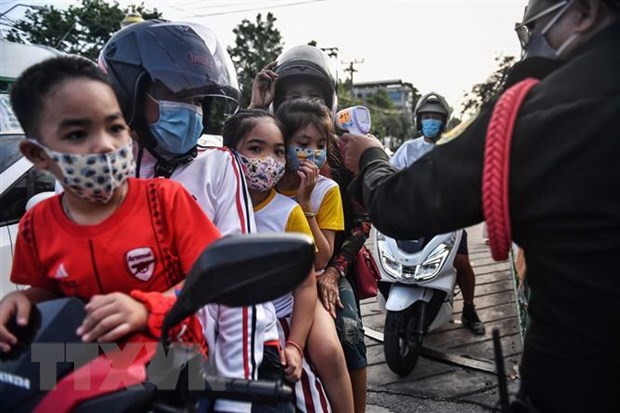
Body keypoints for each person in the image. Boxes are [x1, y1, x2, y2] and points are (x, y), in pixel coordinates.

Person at [341, 1, 620, 411]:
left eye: (538, 29)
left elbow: (400, 202)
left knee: (466, 266)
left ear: (586, 11)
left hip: (573, 380)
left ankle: (469, 306)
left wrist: (370, 158)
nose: (536, 43)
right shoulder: (414, 146)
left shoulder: (528, 111)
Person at [99, 20, 268, 413]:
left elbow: (237, 288)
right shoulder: (93, 173)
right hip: (106, 363)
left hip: (195, 363)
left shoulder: (217, 167)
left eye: (196, 99)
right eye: (173, 93)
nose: (189, 111)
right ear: (126, 95)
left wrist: (233, 399)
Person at [0, 56, 217, 354]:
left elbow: (209, 277)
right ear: (37, 155)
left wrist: (147, 309)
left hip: (174, 367)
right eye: (77, 134)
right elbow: (49, 292)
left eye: (114, 127)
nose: (104, 144)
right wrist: (23, 302)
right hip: (81, 369)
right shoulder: (35, 224)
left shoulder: (167, 200)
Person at [251, 45, 369, 413]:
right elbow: (237, 151)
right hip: (274, 272)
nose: (302, 101)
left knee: (347, 335)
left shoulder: (342, 154)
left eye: (313, 95)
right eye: (292, 95)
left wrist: (333, 272)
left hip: (329, 262)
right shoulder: (265, 163)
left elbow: (363, 223)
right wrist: (255, 104)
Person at [222, 109, 319, 413]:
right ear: (228, 154)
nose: (268, 160)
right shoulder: (211, 203)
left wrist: (295, 346)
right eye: (255, 149)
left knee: (327, 359)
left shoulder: (288, 213)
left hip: (279, 322)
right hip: (227, 329)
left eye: (278, 151)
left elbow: (306, 286)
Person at [275, 98, 354, 413]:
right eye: (303, 143)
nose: (312, 151)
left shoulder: (327, 190)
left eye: (320, 144)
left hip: (309, 282)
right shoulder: (264, 181)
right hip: (271, 281)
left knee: (328, 352)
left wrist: (305, 204)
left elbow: (322, 259)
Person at [391, 92, 485, 335]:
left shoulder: (454, 146)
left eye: (435, 117)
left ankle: (469, 308)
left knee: (462, 263)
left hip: (449, 218)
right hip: (413, 218)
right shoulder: (408, 148)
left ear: (444, 121)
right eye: (426, 117)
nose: (430, 121)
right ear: (418, 120)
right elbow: (391, 176)